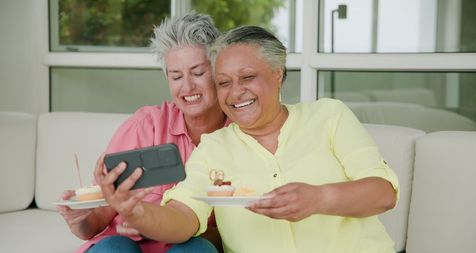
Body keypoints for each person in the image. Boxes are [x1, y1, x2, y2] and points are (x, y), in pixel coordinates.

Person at [95, 25, 399, 253]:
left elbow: (384, 193)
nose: (235, 92)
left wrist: (319, 198)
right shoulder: (215, 147)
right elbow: (183, 216)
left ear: (277, 74)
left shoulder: (329, 116)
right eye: (224, 83)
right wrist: (138, 212)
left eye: (248, 77)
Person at [56, 13, 228, 253]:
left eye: (198, 73)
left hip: (188, 244)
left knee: (197, 249)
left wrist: (157, 224)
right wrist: (80, 220)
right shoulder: (146, 125)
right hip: (124, 245)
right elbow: (99, 217)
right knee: (114, 248)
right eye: (176, 76)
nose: (187, 87)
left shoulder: (237, 136)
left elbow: (234, 231)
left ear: (218, 71)